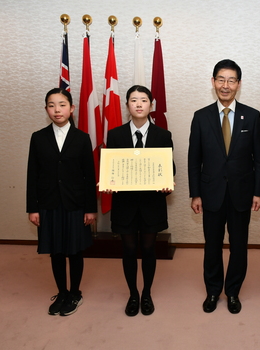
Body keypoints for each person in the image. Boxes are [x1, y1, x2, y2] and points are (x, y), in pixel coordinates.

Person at [188, 59, 260, 314]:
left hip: (242, 193)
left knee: (239, 246)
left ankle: (233, 291)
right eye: (221, 79)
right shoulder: (200, 117)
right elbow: (193, 159)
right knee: (212, 245)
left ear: (239, 84)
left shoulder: (252, 116)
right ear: (213, 83)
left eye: (231, 80)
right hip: (210, 193)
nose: (226, 85)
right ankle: (213, 291)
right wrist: (195, 193)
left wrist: (258, 191)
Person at [104, 85, 175, 317]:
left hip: (151, 204)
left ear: (151, 106)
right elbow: (110, 168)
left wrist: (167, 183)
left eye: (143, 100)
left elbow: (169, 168)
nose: (138, 104)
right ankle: (133, 293)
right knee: (128, 249)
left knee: (148, 249)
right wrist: (109, 180)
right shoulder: (114, 135)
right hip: (125, 205)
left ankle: (147, 293)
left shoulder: (163, 135)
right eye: (133, 100)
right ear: (127, 106)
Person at [26, 88, 97, 316]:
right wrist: (33, 208)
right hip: (49, 204)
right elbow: (32, 175)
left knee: (75, 251)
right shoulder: (38, 137)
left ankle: (75, 293)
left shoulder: (82, 138)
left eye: (62, 104)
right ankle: (62, 292)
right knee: (55, 251)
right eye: (51, 105)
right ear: (46, 109)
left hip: (76, 204)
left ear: (72, 108)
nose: (57, 109)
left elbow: (89, 176)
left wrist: (90, 209)